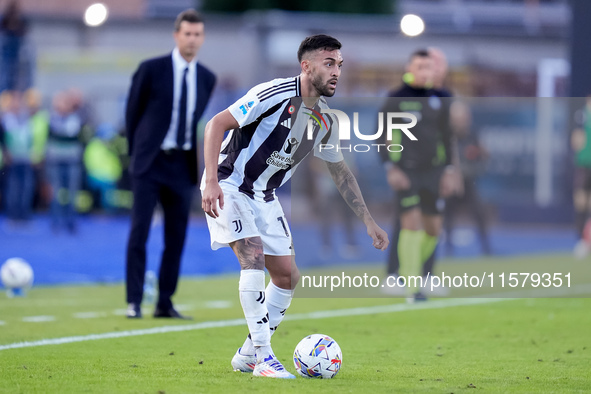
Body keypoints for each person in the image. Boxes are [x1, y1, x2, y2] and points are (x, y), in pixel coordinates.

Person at [201, 34, 389, 379]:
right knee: (253, 257)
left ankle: (245, 355)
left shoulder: (325, 120)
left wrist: (368, 220)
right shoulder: (273, 93)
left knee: (288, 277)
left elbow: (340, 172)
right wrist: (211, 180)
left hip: (265, 196)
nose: (337, 72)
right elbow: (216, 124)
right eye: (329, 63)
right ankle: (263, 357)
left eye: (340, 65)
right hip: (231, 184)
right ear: (307, 66)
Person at [124, 9, 216, 319]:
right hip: (149, 163)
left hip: (182, 165)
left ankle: (164, 302)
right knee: (139, 233)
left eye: (197, 34)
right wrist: (135, 156)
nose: (192, 39)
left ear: (202, 38)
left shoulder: (207, 78)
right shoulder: (151, 69)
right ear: (176, 35)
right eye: (187, 33)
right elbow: (132, 115)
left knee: (176, 237)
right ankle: (134, 301)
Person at [379, 49, 459, 301]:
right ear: (409, 69)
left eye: (429, 67)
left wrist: (449, 171)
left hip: (434, 172)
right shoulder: (396, 98)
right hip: (406, 171)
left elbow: (447, 137)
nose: (426, 71)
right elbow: (380, 135)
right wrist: (391, 168)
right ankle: (412, 287)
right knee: (411, 224)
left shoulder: (441, 98)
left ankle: (411, 272)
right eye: (420, 67)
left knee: (433, 229)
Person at [444, 101, 491, 256]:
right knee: (447, 214)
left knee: (478, 212)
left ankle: (486, 248)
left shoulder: (472, 134)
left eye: (464, 117)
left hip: (468, 180)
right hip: (451, 180)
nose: (462, 121)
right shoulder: (447, 135)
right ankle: (448, 249)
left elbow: (482, 156)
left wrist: (482, 153)